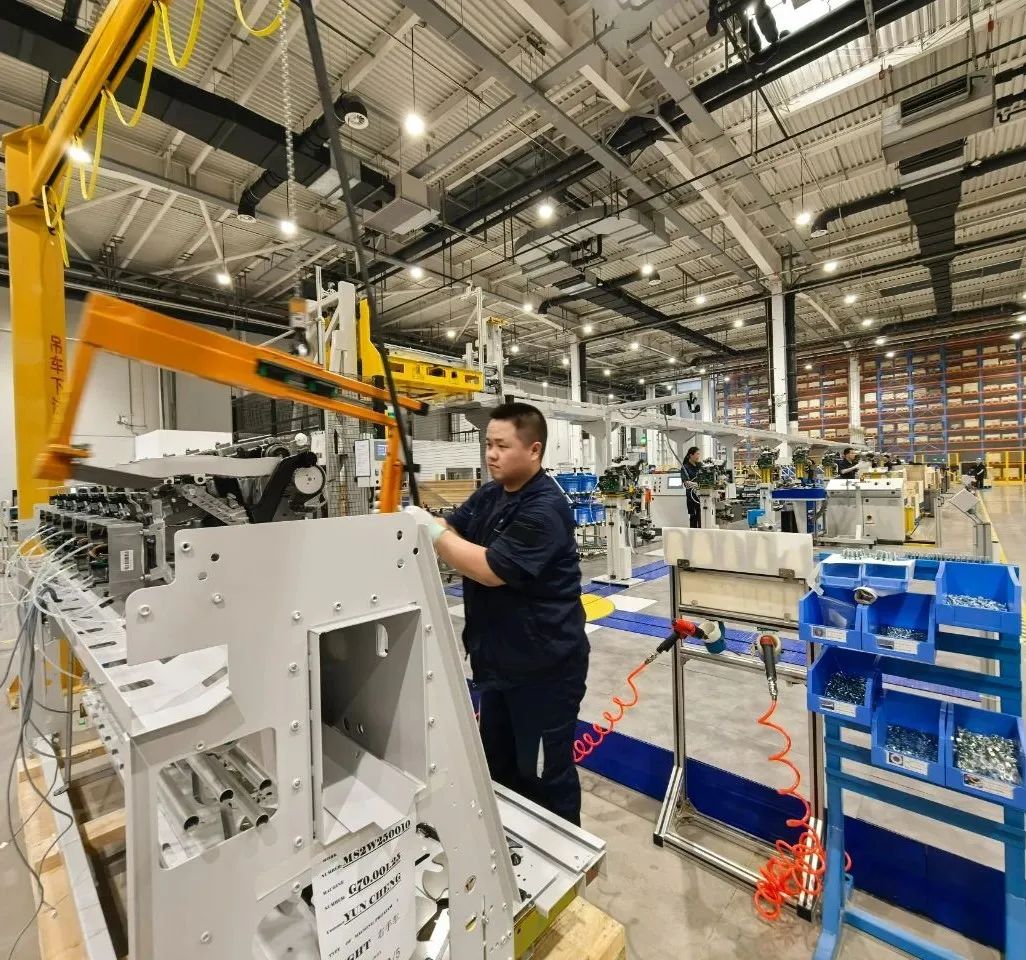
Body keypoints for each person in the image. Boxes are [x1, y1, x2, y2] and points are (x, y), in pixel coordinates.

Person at [404, 403, 590, 825]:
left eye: (502, 446)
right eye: (488, 444)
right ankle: (512, 849)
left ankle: (565, 855)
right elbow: (454, 528)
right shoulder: (492, 494)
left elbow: (490, 570)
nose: (491, 454)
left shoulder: (545, 508)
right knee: (499, 768)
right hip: (497, 663)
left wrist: (430, 530)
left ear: (534, 450)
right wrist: (440, 531)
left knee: (543, 776)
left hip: (544, 672)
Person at [680, 446, 702, 528]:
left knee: (702, 516)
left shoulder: (700, 465)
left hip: (701, 495)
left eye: (699, 454)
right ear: (691, 455)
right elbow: (686, 483)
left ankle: (702, 532)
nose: (698, 456)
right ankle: (693, 533)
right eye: (697, 454)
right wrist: (696, 484)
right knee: (693, 517)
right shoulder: (685, 467)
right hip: (691, 496)